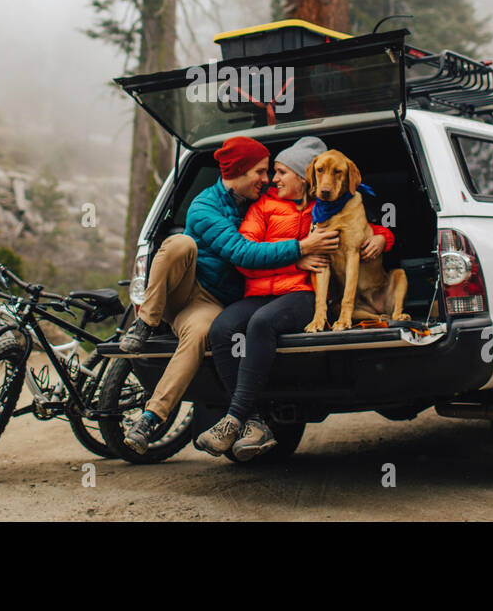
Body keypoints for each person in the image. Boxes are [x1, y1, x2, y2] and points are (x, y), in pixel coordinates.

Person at [118, 136, 341, 454]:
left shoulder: (261, 200)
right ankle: (145, 323)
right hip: (185, 289)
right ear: (238, 171)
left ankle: (150, 419)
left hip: (217, 303)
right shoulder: (204, 207)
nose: (267, 180)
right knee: (181, 244)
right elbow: (242, 252)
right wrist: (301, 250)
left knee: (200, 335)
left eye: (272, 173)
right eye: (261, 172)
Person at [196, 136, 394, 459]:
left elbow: (361, 232)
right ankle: (253, 421)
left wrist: (385, 237)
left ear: (304, 178)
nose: (274, 180)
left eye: (282, 173)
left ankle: (232, 420)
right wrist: (297, 255)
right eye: (272, 173)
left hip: (301, 294)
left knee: (261, 325)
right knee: (221, 329)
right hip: (259, 291)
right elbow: (244, 255)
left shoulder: (325, 211)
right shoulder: (263, 206)